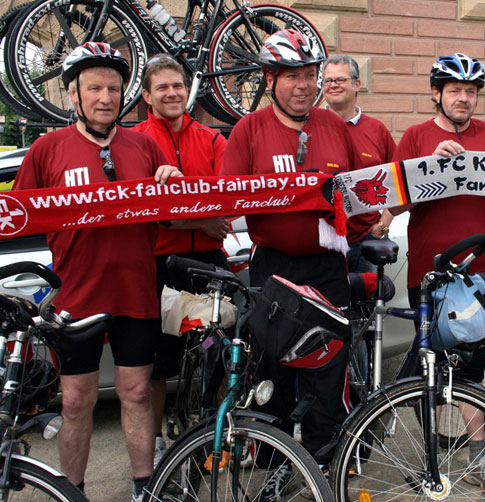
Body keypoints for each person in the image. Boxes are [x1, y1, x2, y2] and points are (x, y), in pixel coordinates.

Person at [12, 42, 181, 502]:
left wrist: (170, 186)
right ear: (73, 94)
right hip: (76, 296)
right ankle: (74, 492)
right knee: (75, 402)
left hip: (135, 291)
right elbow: (18, 216)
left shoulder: (145, 146)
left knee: (137, 394)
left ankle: (145, 488)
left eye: (113, 88)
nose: (105, 97)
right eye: (94, 88)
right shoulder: (47, 150)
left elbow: (171, 216)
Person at [220, 29, 359, 497]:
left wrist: (369, 220)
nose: (303, 85)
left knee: (328, 368)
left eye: (309, 75)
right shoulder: (249, 130)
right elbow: (224, 198)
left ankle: (324, 459)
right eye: (292, 76)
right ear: (270, 78)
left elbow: (359, 194)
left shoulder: (336, 127)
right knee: (274, 370)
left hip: (327, 266)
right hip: (274, 267)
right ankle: (278, 463)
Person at [392, 53, 485, 498]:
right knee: (429, 367)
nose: (464, 98)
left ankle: (479, 459)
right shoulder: (417, 136)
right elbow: (399, 203)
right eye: (455, 90)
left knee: (471, 369)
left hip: (478, 268)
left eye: (471, 91)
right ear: (436, 94)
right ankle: (426, 458)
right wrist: (430, 165)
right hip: (429, 270)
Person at [131, 54, 229, 467]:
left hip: (210, 259)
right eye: (163, 87)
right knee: (157, 364)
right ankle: (153, 442)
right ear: (147, 95)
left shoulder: (212, 139)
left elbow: (228, 206)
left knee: (220, 354)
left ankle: (213, 434)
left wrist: (196, 217)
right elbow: (141, 209)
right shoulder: (133, 140)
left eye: (178, 85)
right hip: (158, 262)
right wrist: (199, 219)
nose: (172, 93)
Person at [321, 54, 395, 272]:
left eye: (340, 80)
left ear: (357, 84)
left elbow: (399, 181)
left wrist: (383, 224)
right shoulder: (310, 127)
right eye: (328, 81)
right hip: (323, 242)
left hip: (365, 240)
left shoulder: (377, 130)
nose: (333, 85)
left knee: (366, 302)